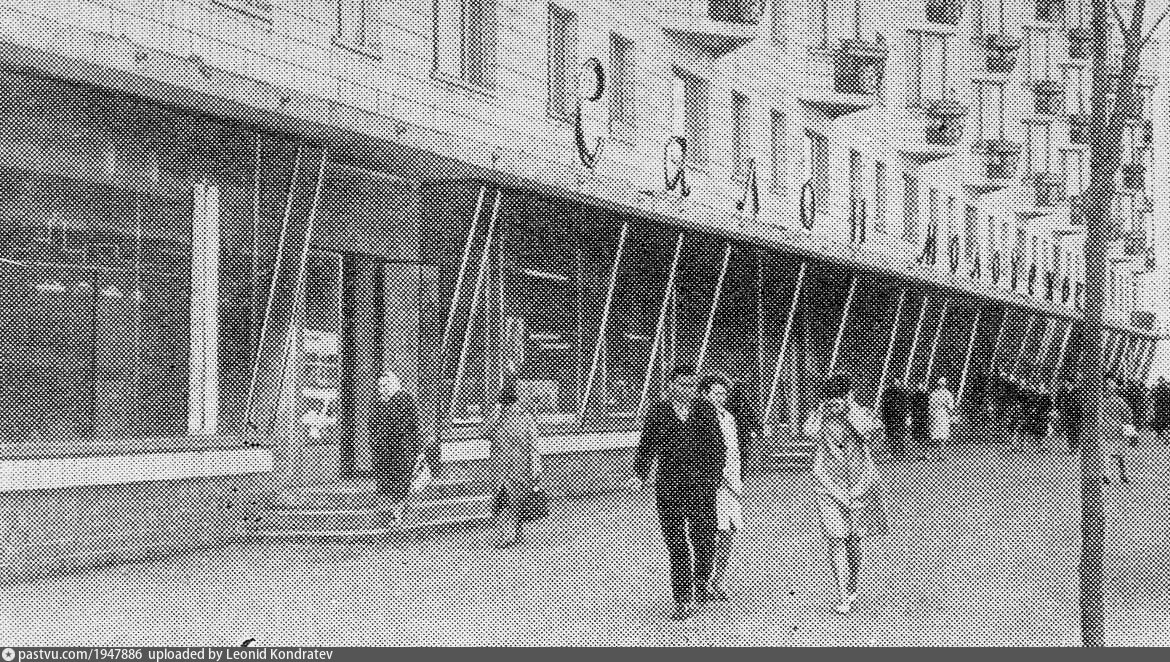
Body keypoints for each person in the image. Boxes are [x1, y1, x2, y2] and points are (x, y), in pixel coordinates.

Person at [630, 366, 723, 622]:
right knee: (676, 544)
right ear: (671, 386)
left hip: (701, 488)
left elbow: (719, 448)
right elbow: (646, 446)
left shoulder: (705, 410)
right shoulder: (658, 412)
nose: (688, 390)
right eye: (683, 385)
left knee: (704, 539)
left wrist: (713, 479)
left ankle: (701, 580)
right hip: (669, 488)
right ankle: (682, 599)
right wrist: (639, 474)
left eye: (692, 385)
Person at [805, 373, 881, 614]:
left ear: (848, 396)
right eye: (829, 398)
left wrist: (850, 408)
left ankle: (852, 586)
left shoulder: (859, 414)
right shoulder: (821, 417)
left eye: (838, 397)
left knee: (855, 539)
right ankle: (842, 594)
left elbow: (870, 431)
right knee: (836, 538)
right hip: (828, 487)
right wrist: (821, 411)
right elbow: (808, 432)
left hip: (860, 486)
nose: (834, 403)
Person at [685, 375, 747, 603]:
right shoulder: (698, 417)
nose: (721, 397)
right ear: (705, 394)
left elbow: (734, 452)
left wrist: (737, 480)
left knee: (730, 532)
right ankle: (702, 583)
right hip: (713, 485)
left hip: (732, 483)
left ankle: (717, 582)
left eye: (723, 393)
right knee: (713, 533)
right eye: (716, 393)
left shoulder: (729, 417)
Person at [487, 378, 541, 548]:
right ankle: (511, 536)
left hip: (512, 467)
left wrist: (536, 465)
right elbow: (484, 433)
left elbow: (534, 444)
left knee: (511, 502)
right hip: (512, 467)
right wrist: (536, 466)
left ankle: (512, 536)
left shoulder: (520, 419)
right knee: (508, 502)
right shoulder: (504, 419)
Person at [368, 371, 422, 525]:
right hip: (384, 451)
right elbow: (372, 425)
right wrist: (375, 443)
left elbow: (411, 426)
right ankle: (392, 516)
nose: (382, 389)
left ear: (394, 384)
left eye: (385, 385)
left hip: (401, 450)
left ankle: (398, 518)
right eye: (380, 386)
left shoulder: (403, 399)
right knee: (389, 484)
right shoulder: (378, 403)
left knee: (400, 483)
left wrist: (416, 449)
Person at [1103, 373, 1136, 485]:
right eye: (1108, 384)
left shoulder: (1118, 401)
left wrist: (1130, 433)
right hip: (1110, 432)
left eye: (1112, 384)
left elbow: (1128, 416)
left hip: (1114, 431)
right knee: (1110, 454)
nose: (1110, 387)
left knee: (1118, 455)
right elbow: (1128, 416)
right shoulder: (1105, 401)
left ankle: (1119, 475)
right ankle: (1111, 475)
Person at [879, 378, 910, 459]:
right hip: (891, 419)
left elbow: (906, 406)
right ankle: (895, 452)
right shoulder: (887, 393)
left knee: (898, 435)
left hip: (898, 418)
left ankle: (900, 452)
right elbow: (884, 406)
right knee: (892, 436)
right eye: (893, 382)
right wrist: (884, 418)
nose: (895, 383)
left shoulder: (902, 393)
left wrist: (906, 416)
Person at [927, 377, 955, 458]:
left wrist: (950, 413)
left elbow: (950, 406)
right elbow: (930, 405)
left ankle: (940, 453)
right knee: (936, 435)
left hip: (942, 415)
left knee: (941, 435)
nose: (941, 385)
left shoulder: (946, 394)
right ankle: (933, 453)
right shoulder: (935, 393)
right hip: (937, 415)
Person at [910, 382, 930, 460]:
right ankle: (920, 454)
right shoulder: (915, 396)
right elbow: (912, 407)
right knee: (919, 437)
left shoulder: (924, 396)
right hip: (918, 419)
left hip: (922, 419)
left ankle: (923, 453)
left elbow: (928, 407)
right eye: (919, 386)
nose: (920, 387)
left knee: (922, 437)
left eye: (921, 386)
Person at [1151, 377, 1170, 443]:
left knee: (1161, 422)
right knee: (1162, 422)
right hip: (1162, 408)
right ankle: (1162, 435)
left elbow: (1153, 396)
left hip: (1161, 408)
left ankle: (1162, 435)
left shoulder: (1159, 389)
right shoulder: (1165, 389)